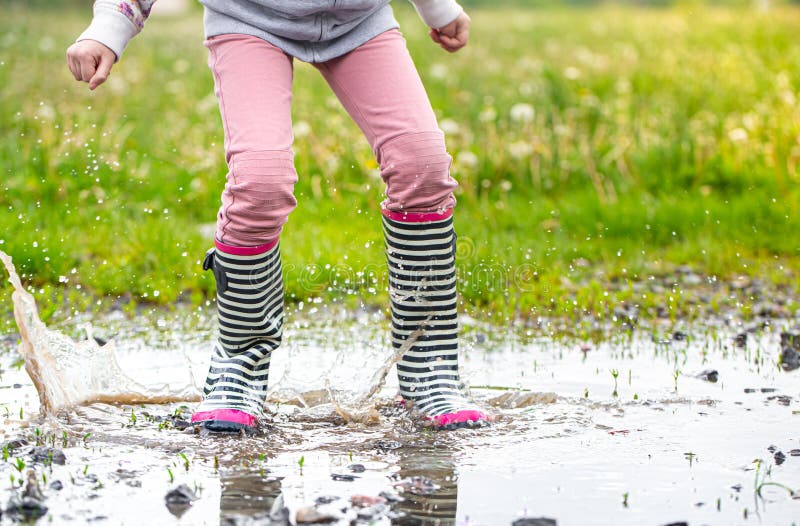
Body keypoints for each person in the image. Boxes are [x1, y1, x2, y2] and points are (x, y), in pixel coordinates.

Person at [67, 0, 490, 433]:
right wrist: (110, 26)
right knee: (261, 182)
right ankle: (239, 366)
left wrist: (438, 9)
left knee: (422, 166)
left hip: (361, 20)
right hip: (248, 19)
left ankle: (429, 366)